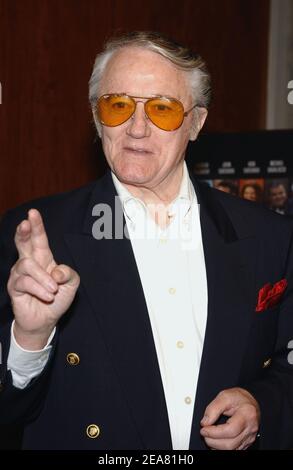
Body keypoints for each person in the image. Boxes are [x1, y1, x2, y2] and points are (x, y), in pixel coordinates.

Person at [0, 31, 293, 451]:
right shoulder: (34, 236)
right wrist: (29, 340)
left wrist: (261, 405)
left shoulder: (269, 237)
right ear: (96, 116)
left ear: (195, 123)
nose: (137, 128)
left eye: (163, 109)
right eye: (117, 105)